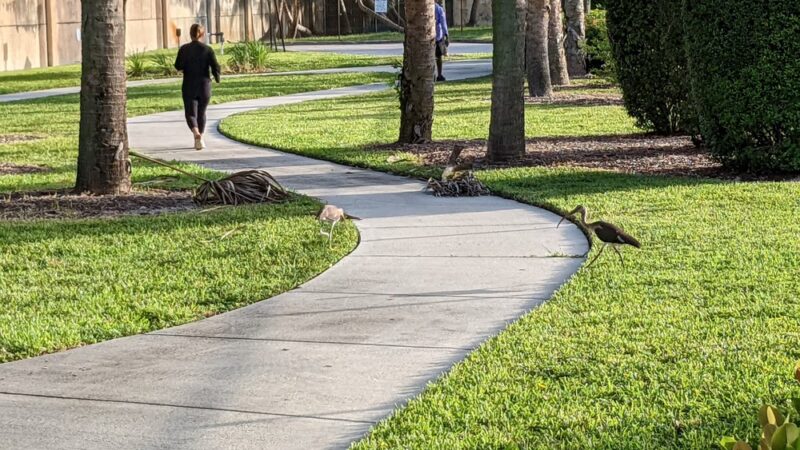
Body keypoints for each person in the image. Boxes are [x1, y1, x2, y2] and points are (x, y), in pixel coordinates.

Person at [174, 24, 221, 150]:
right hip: (204, 85)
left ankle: (196, 134)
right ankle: (201, 138)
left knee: (190, 113)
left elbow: (178, 66)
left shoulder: (184, 49)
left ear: (190, 34)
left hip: (189, 84)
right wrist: (217, 78)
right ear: (202, 34)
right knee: (202, 112)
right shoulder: (207, 49)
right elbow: (216, 66)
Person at [434, 0, 449, 82]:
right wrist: (446, 34)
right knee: (438, 56)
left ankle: (434, 75)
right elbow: (443, 23)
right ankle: (439, 75)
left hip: (430, 37)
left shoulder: (438, 9)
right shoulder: (439, 9)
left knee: (431, 56)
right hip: (437, 36)